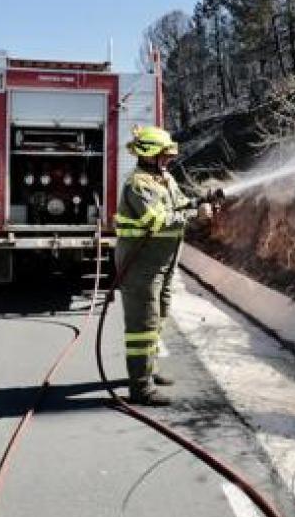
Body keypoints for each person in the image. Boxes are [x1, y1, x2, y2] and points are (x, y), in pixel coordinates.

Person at [114, 125, 212, 406]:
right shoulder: (139, 184)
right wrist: (195, 216)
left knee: (159, 315)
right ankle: (140, 388)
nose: (169, 159)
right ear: (149, 155)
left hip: (163, 264)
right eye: (164, 154)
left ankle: (149, 369)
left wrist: (201, 201)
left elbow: (179, 204)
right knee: (142, 325)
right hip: (140, 266)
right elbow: (157, 221)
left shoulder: (164, 178)